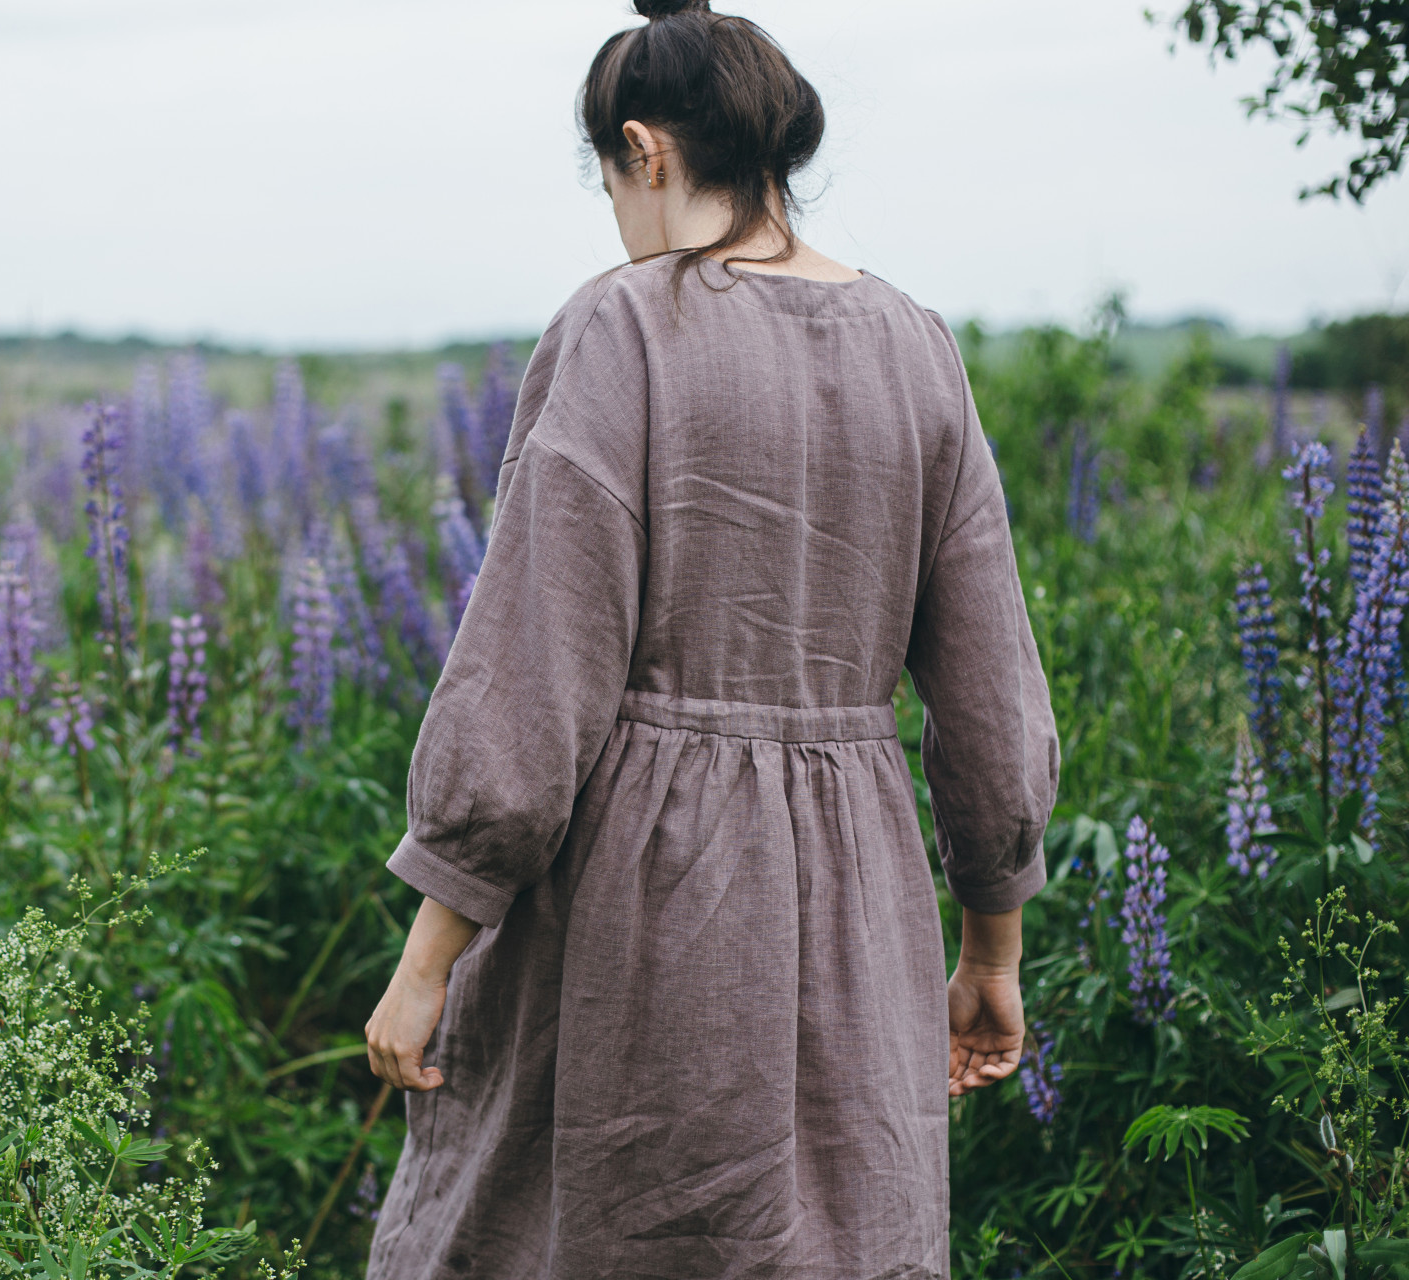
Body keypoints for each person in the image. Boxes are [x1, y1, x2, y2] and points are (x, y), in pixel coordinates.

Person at [363, 0, 1059, 1275]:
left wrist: (426, 963)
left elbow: (532, 679)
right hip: (862, 896)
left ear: (646, 150)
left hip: (646, 893)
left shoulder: (623, 324)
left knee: (606, 1230)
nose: (619, 221)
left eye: (610, 185)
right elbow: (992, 700)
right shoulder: (918, 344)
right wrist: (991, 948)